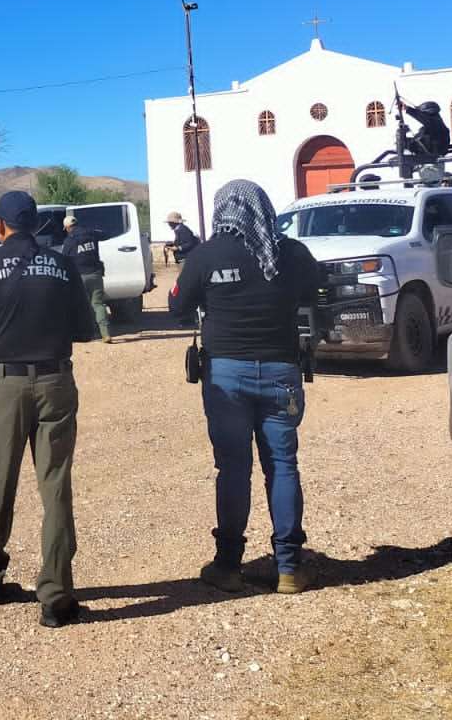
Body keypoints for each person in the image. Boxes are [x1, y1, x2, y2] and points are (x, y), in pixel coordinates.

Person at [0, 190, 97, 628]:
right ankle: (56, 596)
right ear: (35, 225)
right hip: (55, 381)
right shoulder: (63, 266)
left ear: (0, 225)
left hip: (4, 385)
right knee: (55, 486)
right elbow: (86, 329)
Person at [169, 179, 322, 595]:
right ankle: (289, 567)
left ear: (223, 210)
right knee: (283, 465)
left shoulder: (206, 255)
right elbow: (316, 291)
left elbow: (177, 307)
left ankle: (228, 565)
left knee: (233, 468)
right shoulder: (291, 253)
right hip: (281, 371)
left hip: (226, 375)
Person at [59, 215, 111, 342]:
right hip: (95, 274)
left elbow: (64, 259)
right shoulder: (91, 233)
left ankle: (88, 333)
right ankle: (105, 334)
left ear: (67, 228)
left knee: (83, 305)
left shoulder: (69, 241)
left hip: (79, 277)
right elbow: (106, 235)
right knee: (98, 304)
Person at [401, 100, 450, 167]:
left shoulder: (434, 123)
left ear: (429, 113)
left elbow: (424, 118)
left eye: (423, 114)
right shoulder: (433, 125)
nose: (422, 116)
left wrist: (407, 109)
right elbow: (418, 139)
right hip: (433, 156)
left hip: (433, 157)